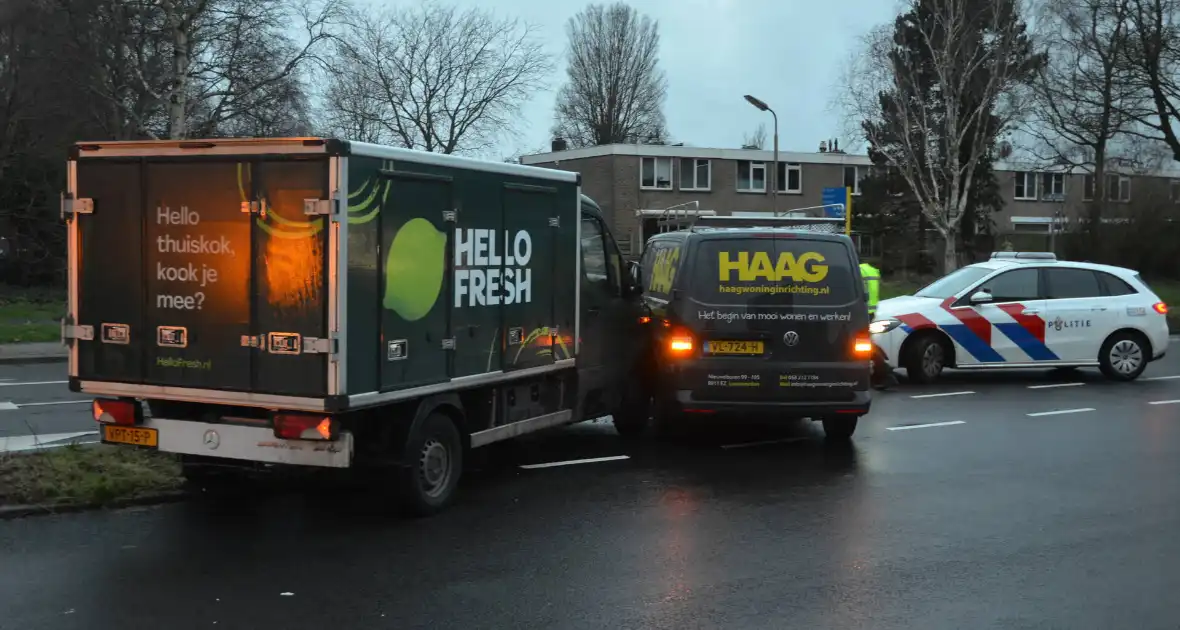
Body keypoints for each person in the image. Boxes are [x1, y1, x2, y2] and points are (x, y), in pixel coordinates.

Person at [860, 261, 898, 389]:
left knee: (863, 345)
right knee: (864, 345)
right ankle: (881, 374)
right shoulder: (872, 270)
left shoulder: (859, 270)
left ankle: (885, 374)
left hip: (861, 312)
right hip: (869, 311)